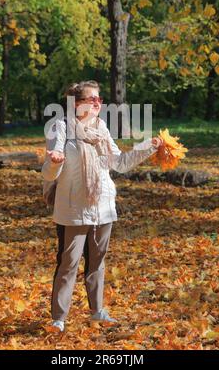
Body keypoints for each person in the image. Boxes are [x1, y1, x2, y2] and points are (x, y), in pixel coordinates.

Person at [41, 80, 164, 332]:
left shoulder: (102, 129)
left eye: (99, 99)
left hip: (103, 206)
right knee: (68, 263)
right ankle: (59, 319)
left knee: (97, 262)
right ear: (76, 104)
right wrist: (54, 162)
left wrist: (146, 147)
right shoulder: (60, 128)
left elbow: (119, 163)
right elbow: (50, 173)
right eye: (91, 99)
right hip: (73, 209)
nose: (98, 103)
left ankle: (97, 311)